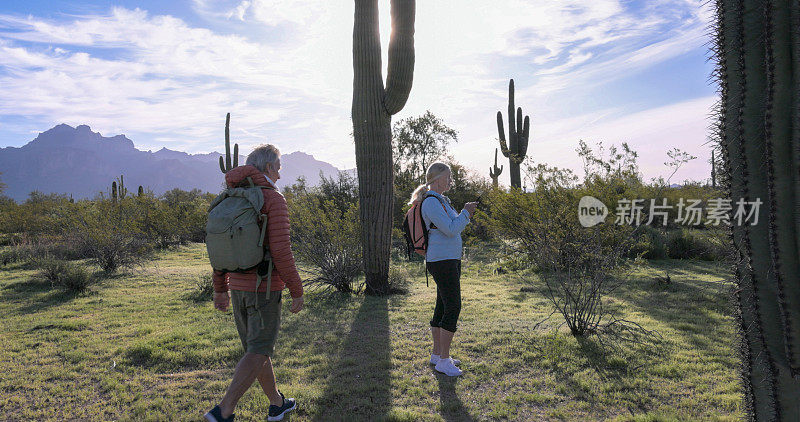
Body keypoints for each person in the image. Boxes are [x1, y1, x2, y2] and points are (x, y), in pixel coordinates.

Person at [205, 144, 304, 422]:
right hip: (265, 289)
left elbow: (218, 248)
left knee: (256, 349)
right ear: (270, 167)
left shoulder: (228, 196)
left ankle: (277, 403)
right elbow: (282, 252)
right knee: (259, 350)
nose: (281, 176)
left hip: (237, 287)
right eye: (279, 168)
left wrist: (220, 288)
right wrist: (296, 290)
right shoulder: (273, 199)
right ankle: (223, 410)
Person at [409, 162, 478, 377]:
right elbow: (451, 229)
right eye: (448, 177)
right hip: (442, 260)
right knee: (453, 305)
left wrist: (463, 216)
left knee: (442, 304)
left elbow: (453, 226)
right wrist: (466, 213)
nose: (451, 181)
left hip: (449, 259)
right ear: (436, 179)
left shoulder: (442, 200)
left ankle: (437, 355)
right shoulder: (431, 202)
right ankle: (444, 361)